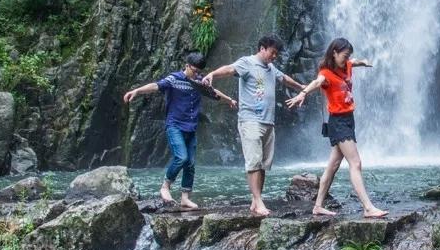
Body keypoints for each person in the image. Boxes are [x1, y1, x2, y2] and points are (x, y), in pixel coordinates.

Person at [203, 34, 306, 216]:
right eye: (273, 52)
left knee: (263, 164)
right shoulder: (247, 63)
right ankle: (258, 201)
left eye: (276, 54)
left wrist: (304, 89)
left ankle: (255, 200)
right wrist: (212, 74)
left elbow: (285, 79)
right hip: (250, 120)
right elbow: (229, 69)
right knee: (253, 162)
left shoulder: (271, 68)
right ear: (262, 48)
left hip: (268, 122)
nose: (275, 56)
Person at [286, 37, 388, 219]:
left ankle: (317, 206)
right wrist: (303, 93)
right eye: (344, 55)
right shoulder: (326, 73)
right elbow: (317, 82)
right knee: (355, 163)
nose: (347, 58)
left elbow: (354, 62)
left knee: (333, 165)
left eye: (348, 55)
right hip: (338, 122)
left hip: (348, 119)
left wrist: (363, 62)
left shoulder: (347, 65)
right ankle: (368, 207)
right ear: (334, 53)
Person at [123, 52, 236, 209]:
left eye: (199, 72)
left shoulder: (199, 82)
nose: (197, 74)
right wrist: (137, 91)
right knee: (181, 157)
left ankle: (185, 198)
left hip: (191, 127)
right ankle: (165, 187)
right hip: (175, 125)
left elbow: (213, 93)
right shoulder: (174, 79)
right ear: (187, 66)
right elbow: (156, 86)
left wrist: (229, 100)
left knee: (190, 163)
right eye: (195, 70)